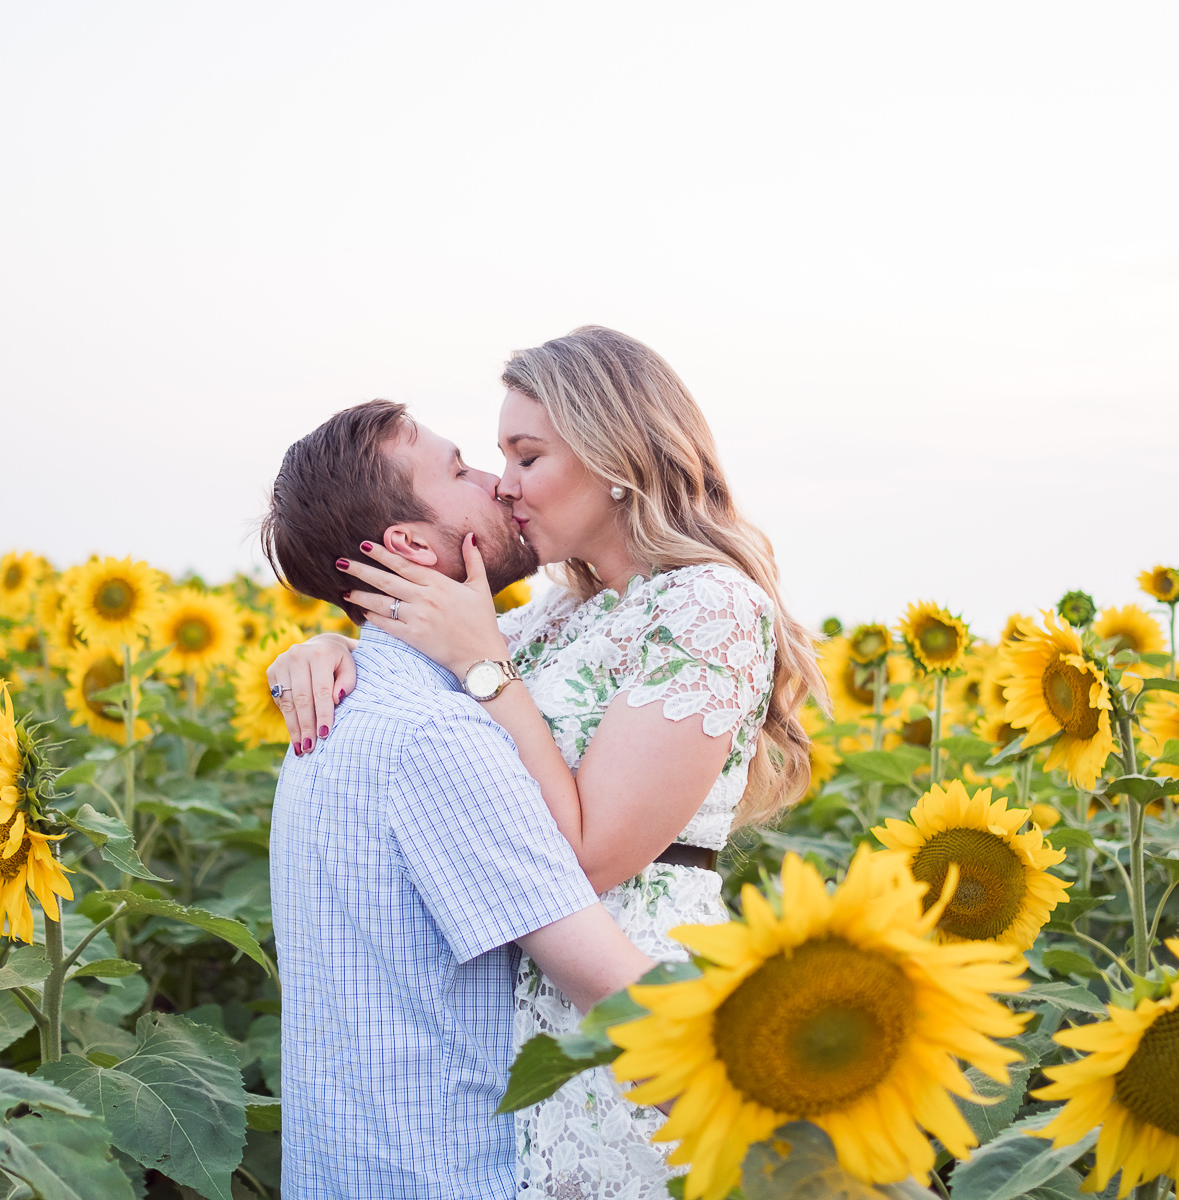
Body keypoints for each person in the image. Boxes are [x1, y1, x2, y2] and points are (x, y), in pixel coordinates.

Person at [269, 327, 826, 1199]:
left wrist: (481, 666)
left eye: (527, 456)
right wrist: (326, 648)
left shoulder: (709, 605)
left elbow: (588, 854)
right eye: (493, 460)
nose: (505, 484)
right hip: (522, 1030)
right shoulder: (545, 622)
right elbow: (427, 693)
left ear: (614, 455)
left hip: (625, 991)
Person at [261, 398, 655, 1200]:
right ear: (410, 545)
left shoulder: (347, 708)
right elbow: (612, 988)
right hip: (442, 1174)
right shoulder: (435, 737)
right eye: (461, 470)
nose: (498, 483)